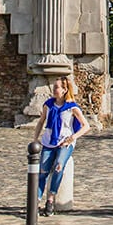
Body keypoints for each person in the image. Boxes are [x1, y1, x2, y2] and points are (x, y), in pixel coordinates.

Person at [31, 75, 91, 216]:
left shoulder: (72, 107)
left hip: (64, 142)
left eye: (57, 87)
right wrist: (35, 139)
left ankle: (50, 200)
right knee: (43, 171)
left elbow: (85, 126)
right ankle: (36, 201)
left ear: (65, 90)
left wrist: (72, 138)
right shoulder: (48, 105)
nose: (54, 89)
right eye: (54, 86)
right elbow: (41, 122)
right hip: (48, 141)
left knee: (59, 166)